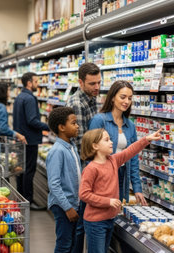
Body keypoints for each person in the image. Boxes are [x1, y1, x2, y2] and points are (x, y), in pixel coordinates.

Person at [79, 128, 162, 253]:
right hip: (95, 222)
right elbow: (84, 194)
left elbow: (129, 151)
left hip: (109, 218)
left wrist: (146, 139)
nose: (111, 142)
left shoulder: (112, 160)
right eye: (106, 140)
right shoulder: (91, 169)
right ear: (95, 146)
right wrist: (108, 201)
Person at [89, 80, 147, 206]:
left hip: (122, 175)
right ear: (112, 98)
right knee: (101, 212)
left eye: (130, 98)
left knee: (118, 211)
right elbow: (90, 153)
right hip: (102, 176)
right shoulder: (100, 120)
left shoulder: (130, 125)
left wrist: (137, 188)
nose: (126, 101)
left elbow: (133, 157)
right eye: (123, 97)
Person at [65, 62, 101, 253]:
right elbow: (81, 147)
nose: (97, 88)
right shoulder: (77, 104)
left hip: (91, 167)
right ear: (80, 82)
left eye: (98, 83)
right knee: (79, 225)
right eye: (92, 84)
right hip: (83, 170)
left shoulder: (93, 98)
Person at [46, 107, 81, 253]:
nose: (77, 126)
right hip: (63, 205)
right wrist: (68, 208)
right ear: (62, 128)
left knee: (73, 243)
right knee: (64, 244)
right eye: (73, 123)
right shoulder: (57, 151)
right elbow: (54, 184)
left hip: (73, 202)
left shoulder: (71, 146)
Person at [13, 72, 49, 208]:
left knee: (21, 170)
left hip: (20, 138)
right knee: (29, 170)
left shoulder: (19, 97)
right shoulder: (29, 98)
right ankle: (28, 200)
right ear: (29, 83)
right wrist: (49, 126)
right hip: (30, 140)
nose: (37, 84)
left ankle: (21, 198)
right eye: (35, 81)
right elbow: (32, 120)